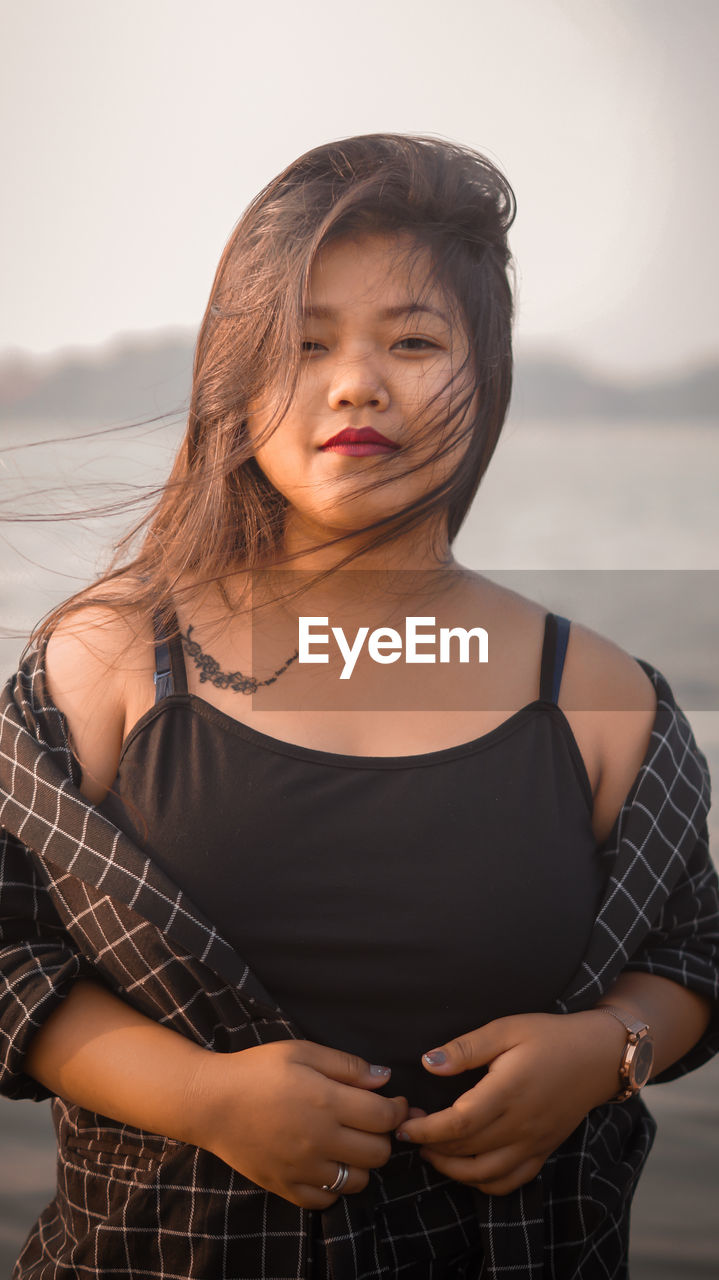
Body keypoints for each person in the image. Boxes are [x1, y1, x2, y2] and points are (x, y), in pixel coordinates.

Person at [0, 132, 717, 1280]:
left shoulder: (598, 694)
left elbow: (692, 949)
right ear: (236, 378)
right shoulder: (111, 659)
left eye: (415, 340)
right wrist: (200, 1098)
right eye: (304, 342)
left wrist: (601, 1048)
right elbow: (10, 950)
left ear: (485, 372)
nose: (354, 382)